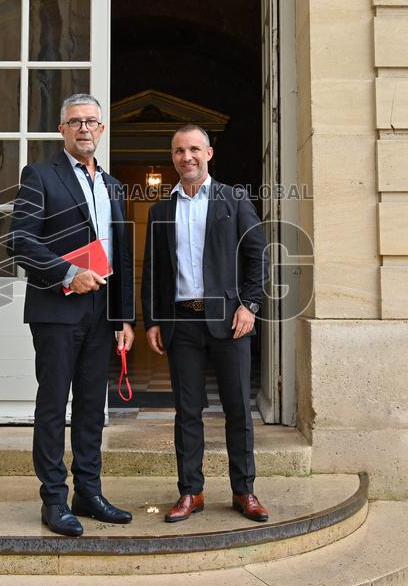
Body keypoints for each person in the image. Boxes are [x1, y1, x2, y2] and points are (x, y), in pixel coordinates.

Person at [8, 93, 135, 537]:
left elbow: (121, 254)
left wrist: (124, 318)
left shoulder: (114, 186)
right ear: (62, 129)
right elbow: (20, 241)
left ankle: (89, 493)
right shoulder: (40, 176)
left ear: (101, 130)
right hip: (57, 311)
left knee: (89, 408)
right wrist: (68, 272)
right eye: (75, 121)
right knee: (53, 404)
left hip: (102, 314)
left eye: (92, 122)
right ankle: (54, 499)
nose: (84, 128)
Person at [140, 124, 270, 524]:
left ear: (209, 153)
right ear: (173, 157)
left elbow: (259, 256)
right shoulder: (161, 210)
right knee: (187, 411)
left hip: (230, 321)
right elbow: (154, 271)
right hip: (181, 323)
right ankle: (190, 492)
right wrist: (153, 320)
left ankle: (244, 491)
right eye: (179, 151)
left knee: (237, 410)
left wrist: (249, 305)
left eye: (194, 149)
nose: (187, 157)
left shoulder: (235, 200)